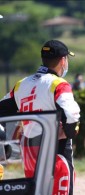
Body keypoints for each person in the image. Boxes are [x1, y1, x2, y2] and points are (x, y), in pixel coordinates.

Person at [0, 40, 80, 195]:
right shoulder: (59, 84)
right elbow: (71, 115)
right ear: (63, 60)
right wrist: (71, 132)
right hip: (56, 152)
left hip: (30, 153)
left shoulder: (21, 84)